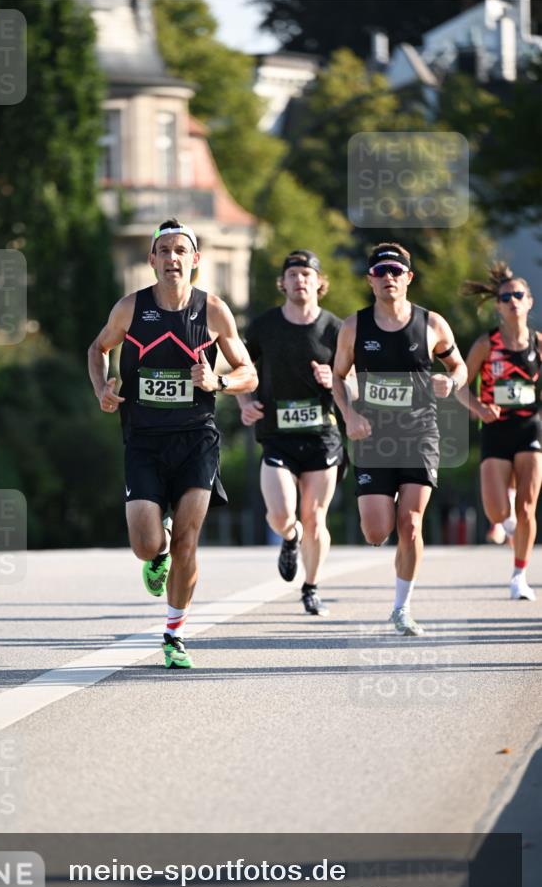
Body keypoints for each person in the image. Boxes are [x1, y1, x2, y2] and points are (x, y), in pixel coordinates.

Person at [87, 219, 257, 668]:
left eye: (181, 251)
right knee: (147, 544)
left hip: (197, 438)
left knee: (188, 540)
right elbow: (97, 348)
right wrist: (103, 387)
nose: (172, 258)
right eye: (164, 251)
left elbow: (250, 373)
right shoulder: (130, 308)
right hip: (143, 440)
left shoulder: (214, 311)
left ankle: (174, 634)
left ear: (195, 260)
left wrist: (218, 380)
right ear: (152, 260)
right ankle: (154, 551)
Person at [332, 242, 467, 635]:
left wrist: (451, 380)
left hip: (419, 433)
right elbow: (339, 377)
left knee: (410, 525)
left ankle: (402, 607)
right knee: (377, 532)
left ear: (409, 278)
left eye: (395, 272)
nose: (387, 278)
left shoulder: (432, 324)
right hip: (372, 436)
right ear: (369, 280)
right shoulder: (354, 327)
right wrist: (350, 414)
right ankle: (384, 511)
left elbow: (458, 367)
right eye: (379, 272)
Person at [238, 250, 344, 616]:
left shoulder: (336, 329)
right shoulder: (264, 326)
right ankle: (289, 537)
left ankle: (311, 587)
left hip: (322, 435)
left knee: (316, 516)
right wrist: (244, 403)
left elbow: (357, 384)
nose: (300, 280)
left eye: (306, 274)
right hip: (277, 434)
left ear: (319, 282)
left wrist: (335, 380)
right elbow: (239, 368)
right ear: (282, 283)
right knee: (281, 514)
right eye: (293, 274)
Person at [458, 261, 541, 600]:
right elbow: (460, 383)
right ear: (498, 305)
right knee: (497, 512)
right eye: (506, 297)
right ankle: (503, 520)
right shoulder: (486, 344)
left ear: (529, 301)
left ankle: (520, 575)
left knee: (526, 509)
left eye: (518, 295)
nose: (512, 301)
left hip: (530, 427)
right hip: (495, 428)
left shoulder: (538, 342)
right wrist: (478, 407)